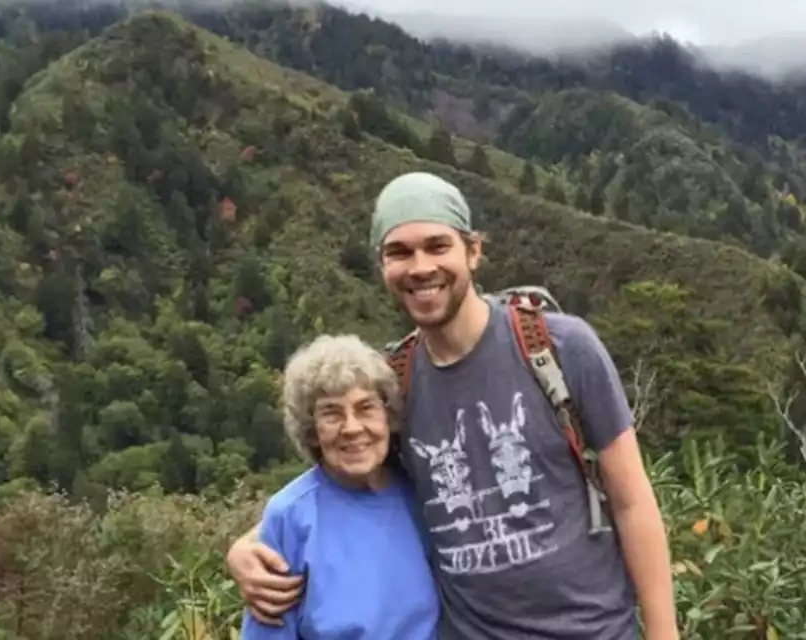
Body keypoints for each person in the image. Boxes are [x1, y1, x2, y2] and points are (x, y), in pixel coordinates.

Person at [227, 171, 679, 640]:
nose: (420, 267)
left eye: (437, 246)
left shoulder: (560, 348)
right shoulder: (393, 385)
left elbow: (632, 502)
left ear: (474, 251)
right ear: (382, 266)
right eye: (399, 252)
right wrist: (251, 544)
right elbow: (349, 476)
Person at [238, 334, 440, 640]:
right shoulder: (290, 517)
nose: (352, 428)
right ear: (312, 430)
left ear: (388, 416)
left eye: (365, 408)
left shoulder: (422, 492)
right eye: (331, 413)